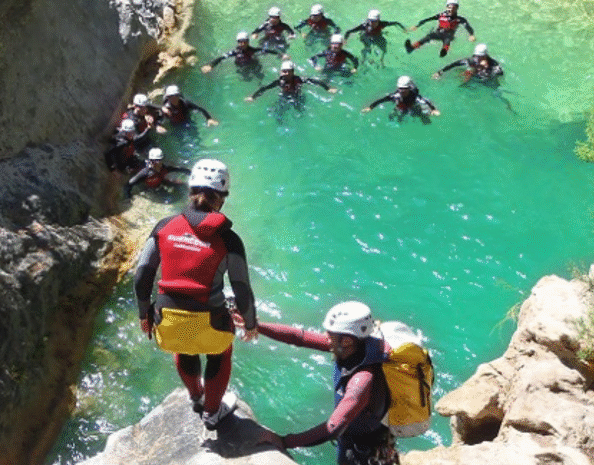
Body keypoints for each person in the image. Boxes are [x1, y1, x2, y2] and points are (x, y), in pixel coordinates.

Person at [134, 159, 258, 430]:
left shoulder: (163, 227)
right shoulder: (230, 239)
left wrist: (144, 314)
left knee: (184, 346)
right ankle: (212, 414)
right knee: (220, 353)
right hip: (212, 323)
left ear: (190, 191)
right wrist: (250, 323)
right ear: (222, 198)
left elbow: (142, 276)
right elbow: (242, 289)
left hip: (167, 322)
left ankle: (196, 398)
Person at [249, 301, 400, 465]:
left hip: (363, 453)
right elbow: (300, 337)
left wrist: (284, 442)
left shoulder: (363, 379)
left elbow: (333, 427)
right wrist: (256, 326)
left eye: (330, 334)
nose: (325, 336)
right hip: (353, 436)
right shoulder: (353, 348)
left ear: (347, 341)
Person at [404, 0, 476, 58]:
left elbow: (468, 26)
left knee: (447, 40)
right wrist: (417, 26)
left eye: (453, 8)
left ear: (457, 8)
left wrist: (471, 35)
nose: (451, 9)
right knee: (428, 37)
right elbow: (427, 20)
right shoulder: (440, 15)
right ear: (446, 7)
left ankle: (444, 52)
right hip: (438, 33)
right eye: (449, 7)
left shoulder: (459, 19)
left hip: (449, 35)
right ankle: (411, 48)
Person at [245, 60, 337, 105]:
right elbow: (264, 88)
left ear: (293, 72)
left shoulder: (299, 79)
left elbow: (316, 81)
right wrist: (253, 97)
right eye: (284, 71)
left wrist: (328, 88)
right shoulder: (279, 81)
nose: (287, 73)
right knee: (279, 110)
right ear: (281, 72)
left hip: (297, 96)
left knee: (300, 111)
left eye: (289, 71)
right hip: (284, 96)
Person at [201, 32, 282, 81]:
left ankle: (259, 84)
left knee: (260, 76)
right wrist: (211, 65)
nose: (242, 44)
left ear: (248, 41)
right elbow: (221, 58)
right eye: (240, 42)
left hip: (254, 64)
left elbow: (266, 50)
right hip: (242, 67)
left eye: (244, 41)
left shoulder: (253, 50)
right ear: (237, 42)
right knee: (246, 79)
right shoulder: (235, 52)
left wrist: (280, 54)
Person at [362, 75, 440, 122]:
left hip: (411, 104)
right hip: (402, 103)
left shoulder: (414, 95)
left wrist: (433, 109)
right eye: (400, 88)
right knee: (393, 116)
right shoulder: (396, 95)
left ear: (409, 88)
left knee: (423, 117)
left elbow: (425, 101)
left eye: (404, 89)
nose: (402, 91)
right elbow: (382, 100)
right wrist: (370, 107)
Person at [123, 147, 191, 198]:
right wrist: (128, 197)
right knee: (163, 196)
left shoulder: (165, 168)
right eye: (156, 161)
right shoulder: (145, 172)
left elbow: (178, 169)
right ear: (151, 161)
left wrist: (189, 172)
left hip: (160, 181)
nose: (158, 163)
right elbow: (128, 185)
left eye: (159, 160)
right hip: (149, 187)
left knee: (182, 184)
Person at [433, 43, 503, 82]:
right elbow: (455, 64)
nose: (477, 58)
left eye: (480, 57)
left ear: (485, 56)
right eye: (476, 56)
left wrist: (483, 68)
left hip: (484, 80)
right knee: (466, 73)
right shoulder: (472, 60)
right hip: (474, 75)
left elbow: (499, 75)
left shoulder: (494, 64)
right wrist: (440, 72)